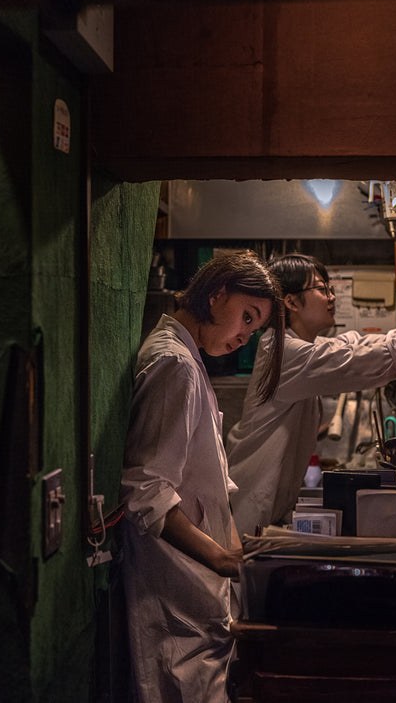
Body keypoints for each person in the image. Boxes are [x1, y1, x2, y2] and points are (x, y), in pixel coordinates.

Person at [119, 250, 284, 703]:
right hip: (174, 598)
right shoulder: (175, 364)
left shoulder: (189, 361)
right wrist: (222, 560)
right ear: (216, 295)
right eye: (246, 317)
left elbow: (210, 489)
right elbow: (146, 490)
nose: (243, 338)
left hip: (198, 600)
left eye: (253, 330)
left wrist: (236, 563)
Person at [226, 253, 396, 538]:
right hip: (248, 507)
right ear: (291, 302)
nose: (332, 297)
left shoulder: (300, 346)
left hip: (265, 505)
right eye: (321, 289)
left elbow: (361, 344)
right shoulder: (283, 351)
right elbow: (358, 358)